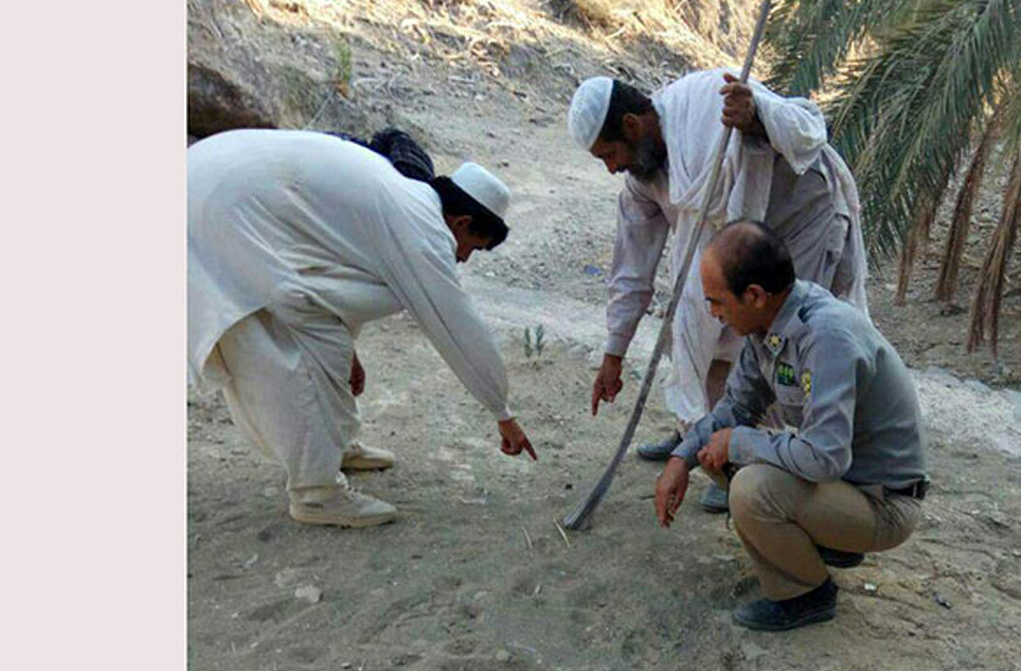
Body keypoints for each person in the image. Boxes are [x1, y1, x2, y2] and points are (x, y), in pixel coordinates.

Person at [188, 128, 537, 528]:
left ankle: (333, 449)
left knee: (325, 340)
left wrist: (349, 350)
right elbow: (456, 326)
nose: (464, 259)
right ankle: (315, 493)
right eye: (472, 247)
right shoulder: (424, 230)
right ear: (461, 221)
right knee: (289, 357)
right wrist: (502, 410)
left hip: (219, 184)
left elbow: (333, 270)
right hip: (217, 211)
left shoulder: (404, 198)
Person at [567, 69, 871, 512]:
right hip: (731, 248)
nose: (612, 168)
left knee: (770, 337)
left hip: (799, 221)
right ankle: (697, 432)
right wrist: (613, 354)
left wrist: (756, 118)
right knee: (692, 322)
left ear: (632, 126)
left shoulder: (710, 100)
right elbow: (631, 270)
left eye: (609, 154)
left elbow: (808, 128)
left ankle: (750, 460)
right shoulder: (641, 178)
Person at [653, 222, 927, 632]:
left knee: (752, 487)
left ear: (755, 296)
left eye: (717, 302)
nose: (714, 314)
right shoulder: (767, 328)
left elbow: (825, 458)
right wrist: (680, 458)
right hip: (848, 485)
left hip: (883, 504)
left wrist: (741, 441)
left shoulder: (826, 337)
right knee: (715, 450)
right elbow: (735, 409)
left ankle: (805, 594)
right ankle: (829, 543)